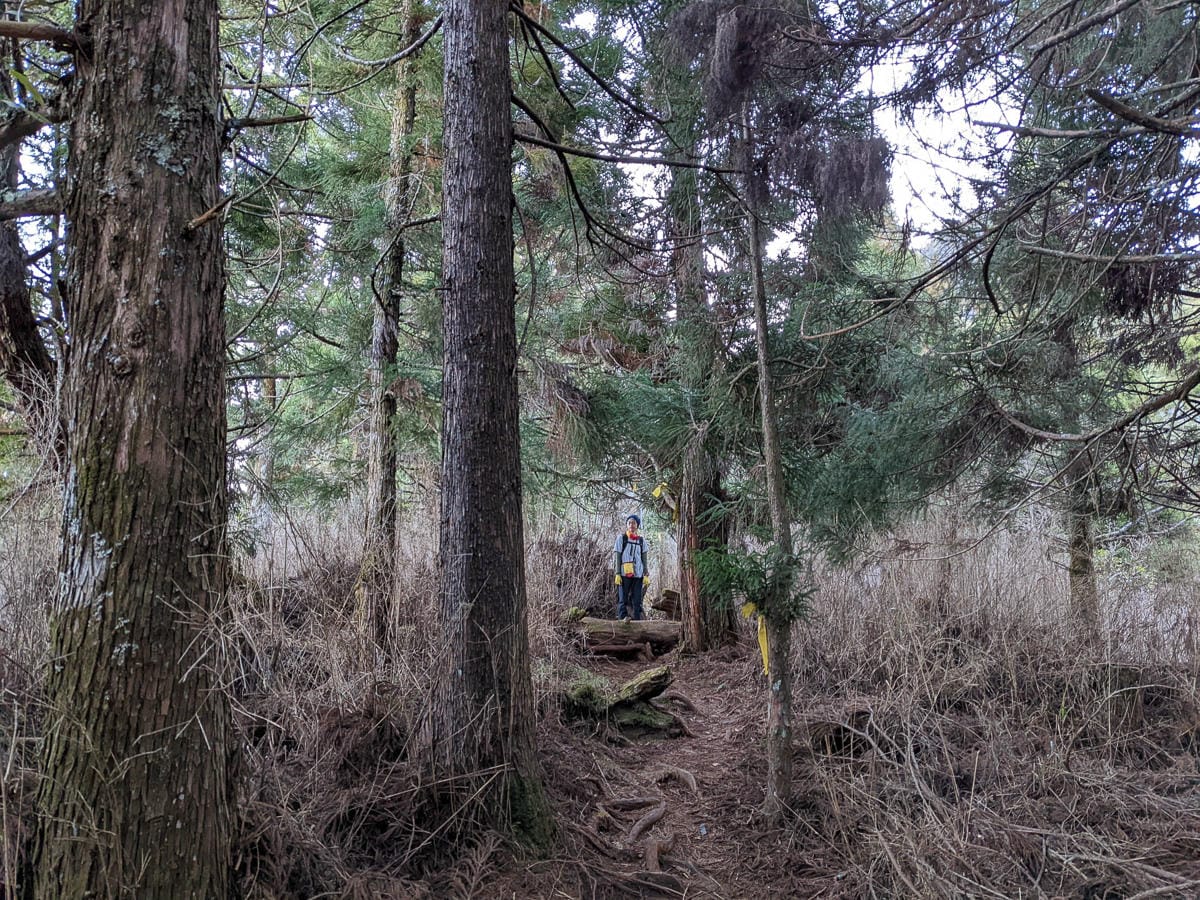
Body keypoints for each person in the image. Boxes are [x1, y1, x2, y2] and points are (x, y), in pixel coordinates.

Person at [614, 514, 650, 620]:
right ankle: (622, 621)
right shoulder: (622, 538)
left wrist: (646, 573)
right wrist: (617, 573)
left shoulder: (641, 541)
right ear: (627, 525)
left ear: (637, 525)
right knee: (623, 600)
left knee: (637, 601)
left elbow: (644, 558)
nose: (631, 525)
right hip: (624, 574)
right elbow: (618, 556)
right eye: (629, 523)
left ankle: (637, 622)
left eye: (634, 523)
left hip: (638, 575)